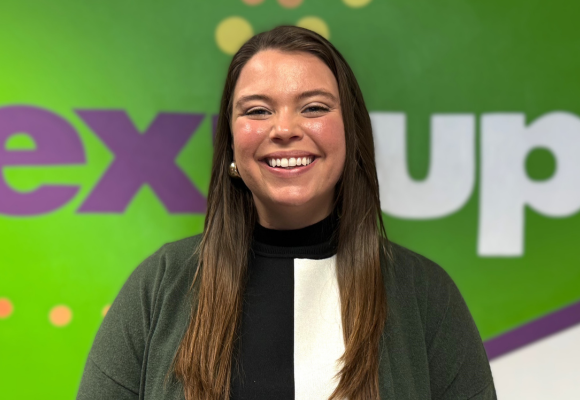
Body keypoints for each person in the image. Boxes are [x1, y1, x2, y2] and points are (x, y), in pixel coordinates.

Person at [77, 26, 496, 400]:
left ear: (351, 132)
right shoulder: (161, 285)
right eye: (257, 110)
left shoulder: (425, 295)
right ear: (232, 144)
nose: (284, 129)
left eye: (313, 107)